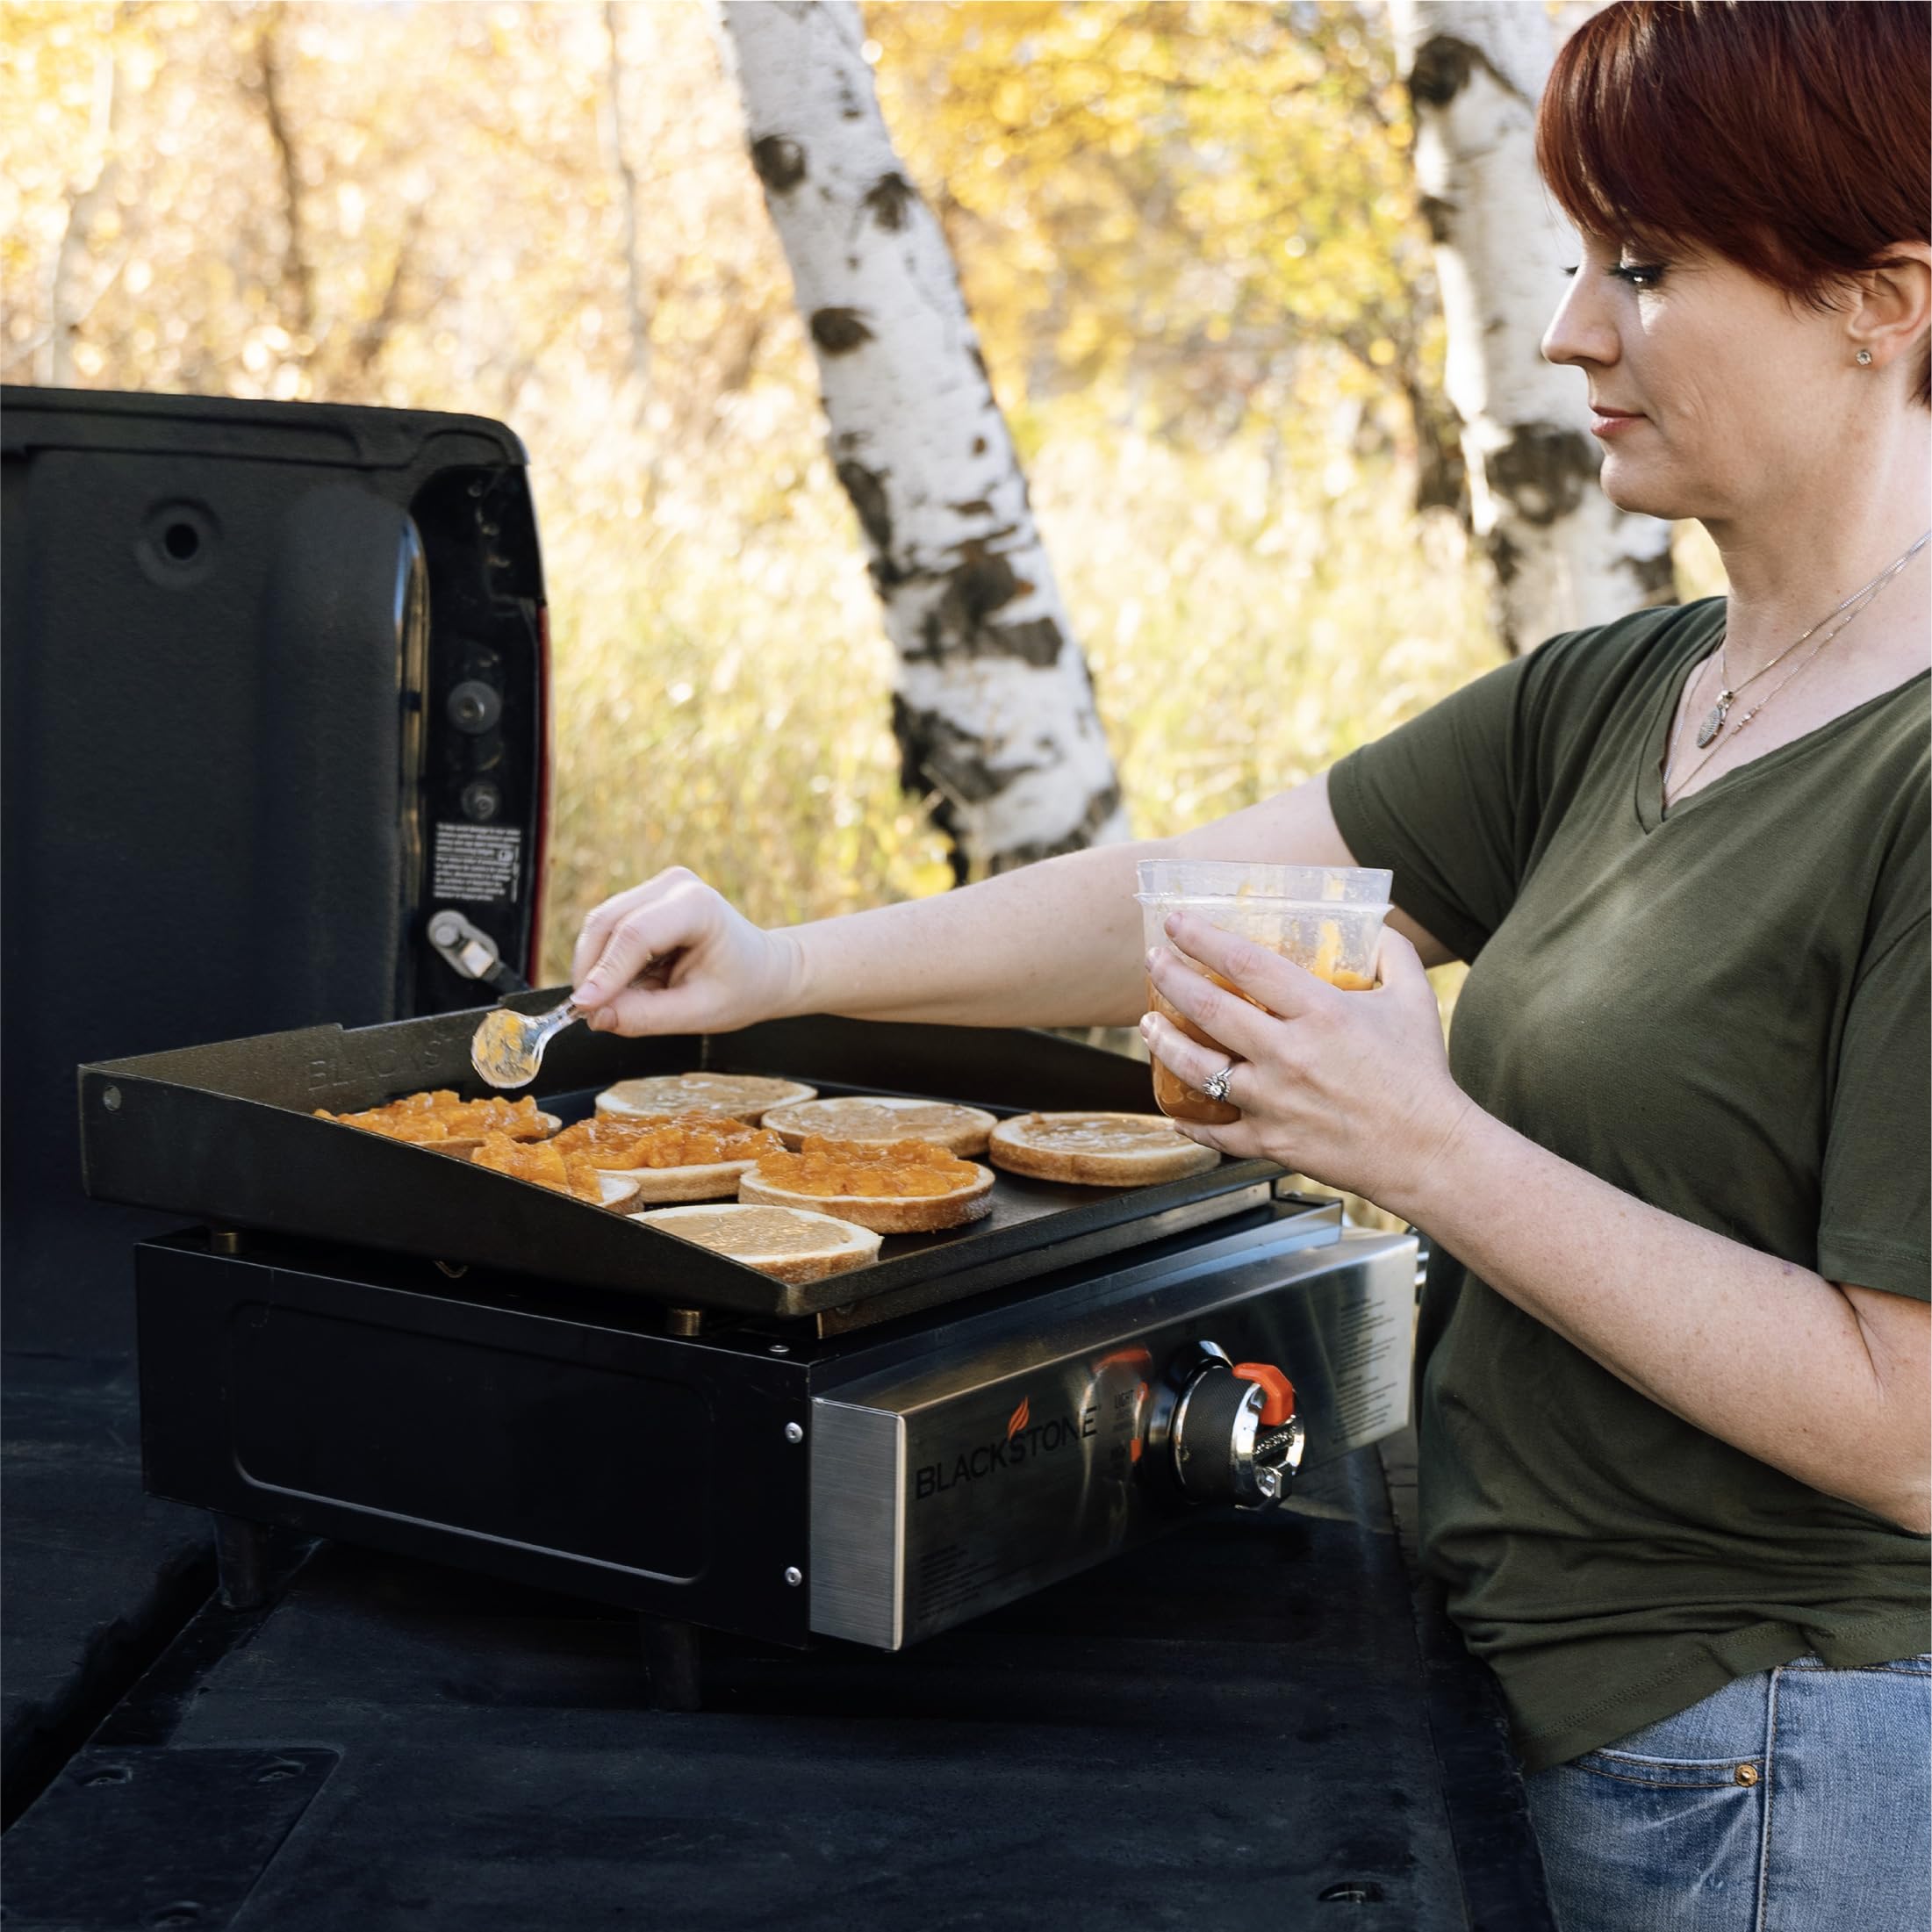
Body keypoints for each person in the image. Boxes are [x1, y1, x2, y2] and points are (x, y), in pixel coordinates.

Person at [571, 4, 1929, 1924]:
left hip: (1776, 1759)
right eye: (1574, 261)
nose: (1569, 331)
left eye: (1644, 267)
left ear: (1879, 302)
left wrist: (1423, 1145)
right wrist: (775, 962)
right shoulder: (1630, 695)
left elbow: (1910, 1433)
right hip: (1565, 1705)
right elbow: (1177, 898)